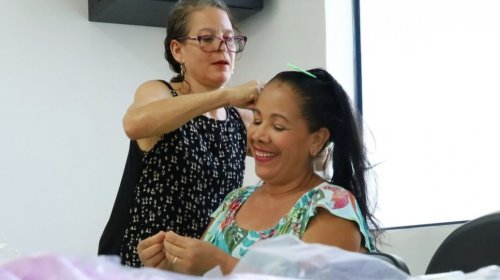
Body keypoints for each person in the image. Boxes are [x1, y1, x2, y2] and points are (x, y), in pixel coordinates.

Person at [137, 68, 381, 275]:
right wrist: (170, 267)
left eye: (277, 126)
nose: (259, 136)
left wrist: (224, 265)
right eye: (256, 120)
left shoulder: (330, 207)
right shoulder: (235, 201)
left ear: (317, 140)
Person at [98, 0, 261, 267]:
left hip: (199, 268)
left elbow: (289, 154)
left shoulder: (238, 119)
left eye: (230, 39)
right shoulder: (159, 92)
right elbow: (134, 123)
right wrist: (227, 95)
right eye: (207, 38)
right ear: (177, 50)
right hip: (138, 263)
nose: (223, 47)